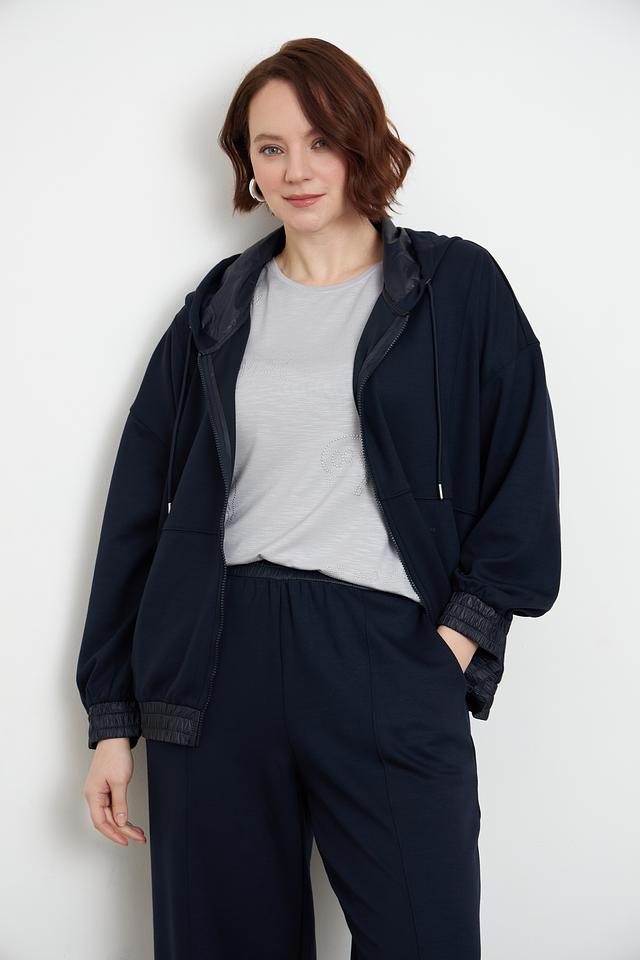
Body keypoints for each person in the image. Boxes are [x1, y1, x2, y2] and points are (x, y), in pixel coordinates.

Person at [76, 37, 561, 960]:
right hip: (216, 662)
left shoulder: (456, 289)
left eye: (320, 140)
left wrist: (453, 644)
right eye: (270, 148)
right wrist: (111, 720)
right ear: (246, 164)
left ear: (361, 141)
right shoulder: (215, 311)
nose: (295, 170)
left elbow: (522, 482)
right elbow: (136, 512)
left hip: (385, 653)